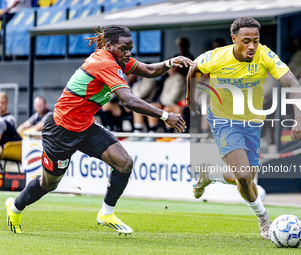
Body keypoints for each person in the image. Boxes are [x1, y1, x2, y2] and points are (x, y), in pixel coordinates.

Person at [5, 25, 192, 234]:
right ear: (109, 46)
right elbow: (128, 101)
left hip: (85, 126)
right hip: (60, 130)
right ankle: (15, 207)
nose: (128, 53)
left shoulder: (116, 58)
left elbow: (149, 70)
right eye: (124, 49)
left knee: (124, 162)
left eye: (130, 48)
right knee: (48, 184)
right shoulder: (104, 63)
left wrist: (169, 62)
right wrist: (165, 116)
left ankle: (106, 213)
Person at [186, 17, 301, 240]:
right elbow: (193, 68)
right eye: (246, 41)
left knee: (246, 179)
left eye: (256, 41)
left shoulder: (265, 55)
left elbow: (292, 83)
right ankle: (263, 218)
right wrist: (191, 99)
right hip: (223, 120)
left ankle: (210, 173)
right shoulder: (217, 57)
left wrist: (299, 118)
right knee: (243, 175)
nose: (252, 46)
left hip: (251, 122)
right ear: (234, 39)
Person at [0, 92, 21, 157]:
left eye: (2, 103)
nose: (0, 105)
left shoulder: (10, 119)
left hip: (10, 147)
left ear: (7, 104)